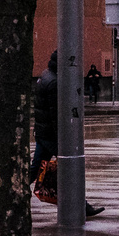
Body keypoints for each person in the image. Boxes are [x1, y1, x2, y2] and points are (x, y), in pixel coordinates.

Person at [32, 52, 103, 216]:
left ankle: (14, 194)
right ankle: (82, 206)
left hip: (43, 133)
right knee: (70, 167)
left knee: (35, 170)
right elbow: (55, 114)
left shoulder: (45, 75)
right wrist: (63, 138)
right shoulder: (54, 82)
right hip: (51, 136)